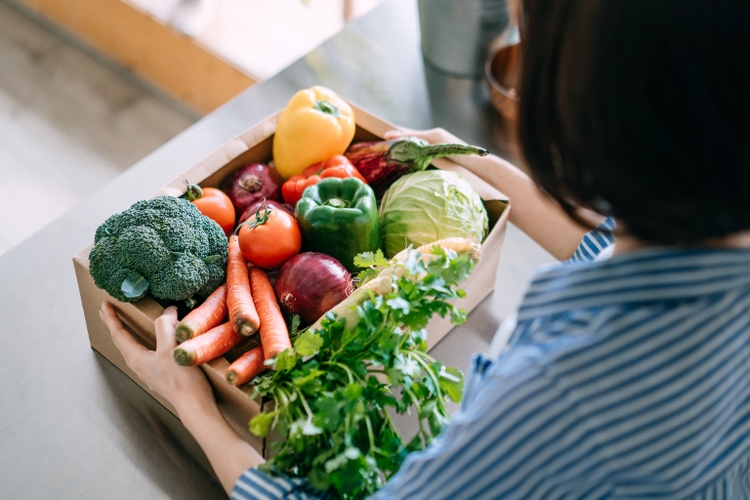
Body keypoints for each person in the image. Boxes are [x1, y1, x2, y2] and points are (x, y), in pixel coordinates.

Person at [100, 0, 750, 498]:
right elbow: (607, 244)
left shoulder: (560, 399)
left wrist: (195, 408)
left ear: (587, 112)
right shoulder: (711, 228)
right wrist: (466, 155)